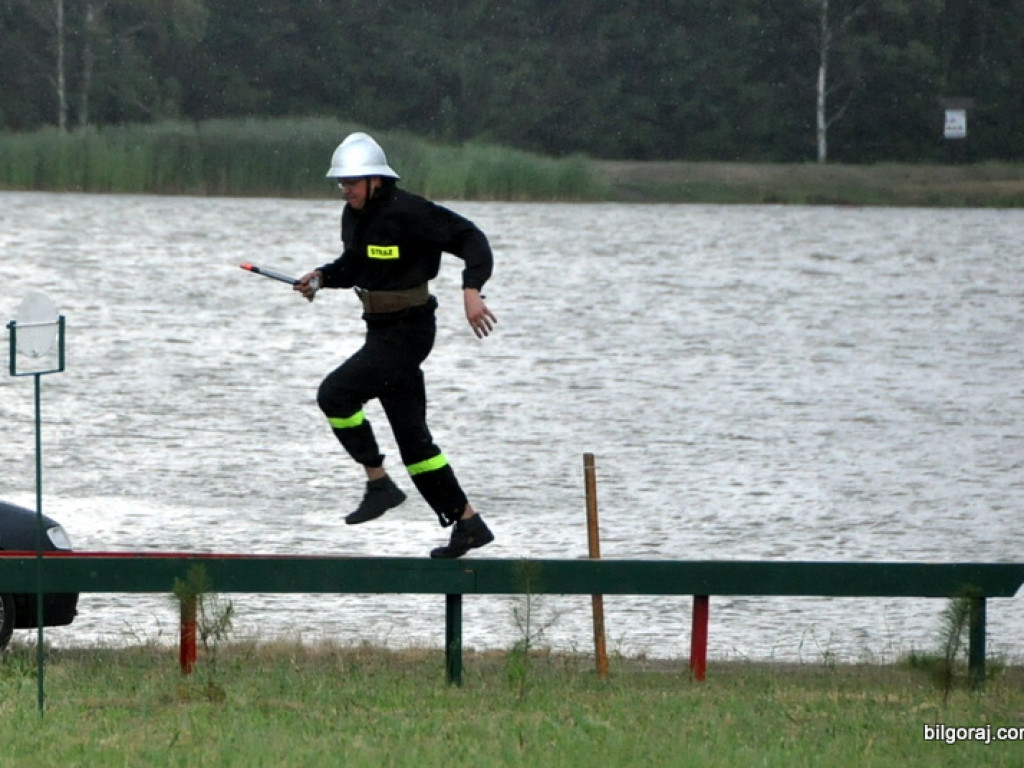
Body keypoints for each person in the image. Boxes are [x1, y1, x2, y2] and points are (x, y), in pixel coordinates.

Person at [294, 132, 497, 558]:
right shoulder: (352, 216)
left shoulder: (411, 212)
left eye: (352, 181)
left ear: (377, 181)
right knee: (415, 444)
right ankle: (467, 522)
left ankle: (379, 483)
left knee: (335, 394)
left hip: (410, 332)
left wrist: (472, 288)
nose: (345, 189)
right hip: (379, 329)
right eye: (341, 182)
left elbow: (471, 238)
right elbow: (355, 265)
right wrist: (322, 277)